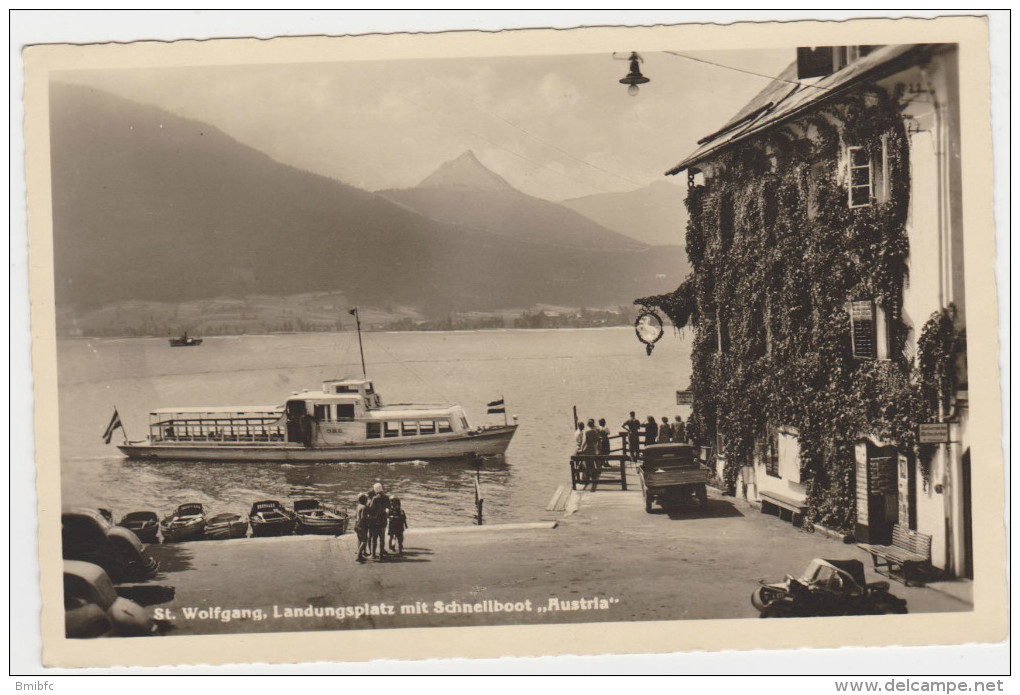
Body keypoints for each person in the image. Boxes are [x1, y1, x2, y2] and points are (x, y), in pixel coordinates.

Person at [367, 482, 391, 559]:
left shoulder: (375, 498)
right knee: (382, 538)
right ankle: (381, 554)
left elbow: (371, 509)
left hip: (376, 520)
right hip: (383, 519)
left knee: (374, 538)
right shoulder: (386, 497)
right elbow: (389, 508)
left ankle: (373, 554)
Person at [354, 493, 370, 562]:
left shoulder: (358, 506)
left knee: (359, 539)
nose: (367, 500)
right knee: (365, 540)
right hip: (362, 525)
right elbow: (363, 517)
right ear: (364, 500)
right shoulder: (364, 507)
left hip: (356, 524)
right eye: (366, 499)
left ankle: (360, 554)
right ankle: (358, 555)